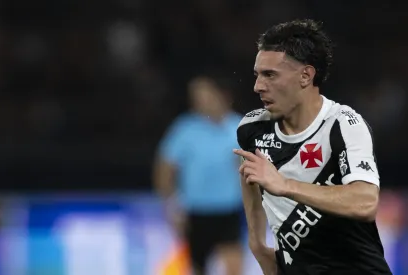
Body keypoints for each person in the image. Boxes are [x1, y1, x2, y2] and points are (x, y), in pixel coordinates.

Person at [233, 19, 392, 275]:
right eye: (257, 74)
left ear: (306, 76)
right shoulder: (252, 127)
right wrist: (257, 242)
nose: (258, 86)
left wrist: (285, 186)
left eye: (270, 75)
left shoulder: (342, 124)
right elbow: (250, 173)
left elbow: (365, 202)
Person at [154, 72, 244, 275]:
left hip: (228, 210)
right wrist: (170, 205)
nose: (200, 100)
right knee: (197, 268)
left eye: (205, 94)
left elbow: (251, 173)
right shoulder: (184, 129)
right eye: (196, 96)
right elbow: (165, 169)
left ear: (222, 95)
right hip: (196, 212)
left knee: (234, 268)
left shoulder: (239, 128)